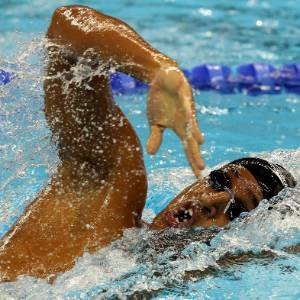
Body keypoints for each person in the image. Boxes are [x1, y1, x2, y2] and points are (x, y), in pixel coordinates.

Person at [0, 5, 296, 283]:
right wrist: (160, 69)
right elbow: (67, 28)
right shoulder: (107, 195)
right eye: (218, 181)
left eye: (237, 211)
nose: (211, 201)